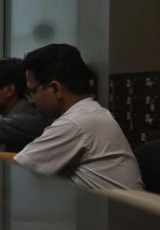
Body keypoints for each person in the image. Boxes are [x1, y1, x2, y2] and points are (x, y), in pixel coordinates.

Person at [14, 44, 143, 190]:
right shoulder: (91, 112)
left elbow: (18, 168)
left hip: (115, 212)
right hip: (109, 209)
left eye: (32, 92)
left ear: (55, 89)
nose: (31, 100)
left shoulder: (76, 123)